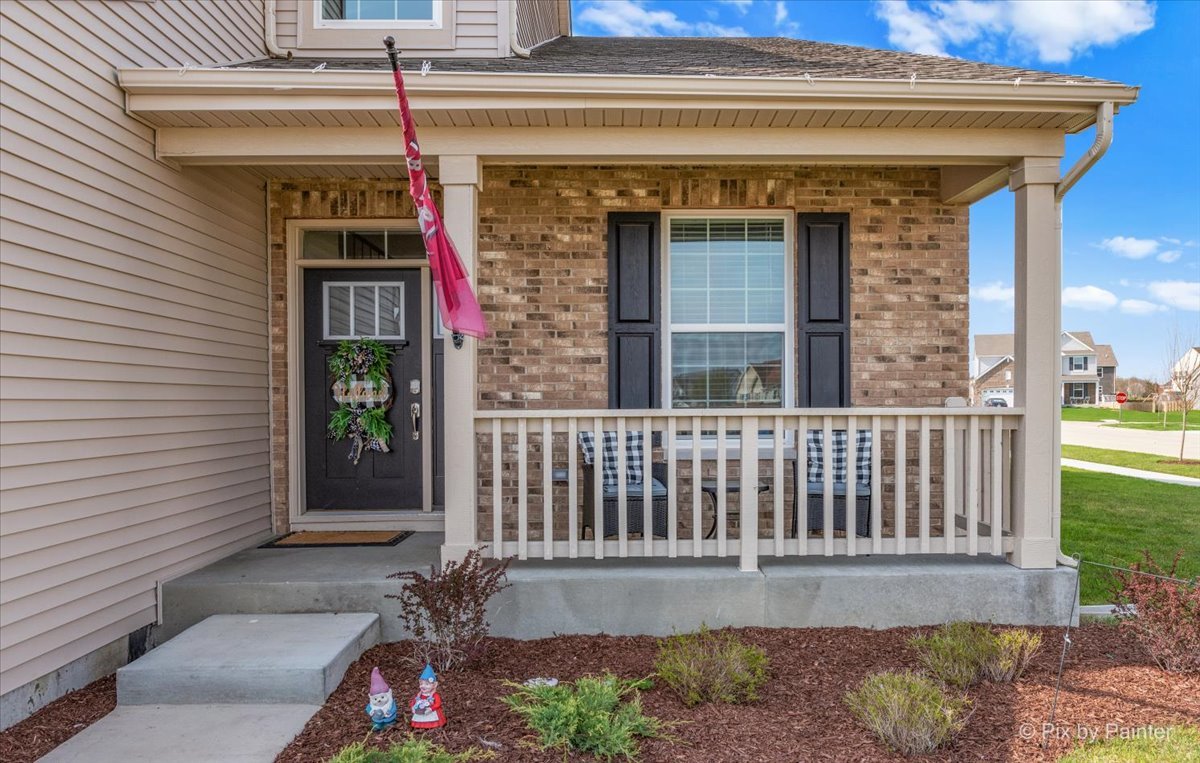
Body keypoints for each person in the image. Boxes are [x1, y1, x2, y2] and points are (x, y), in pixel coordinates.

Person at [410, 664, 446, 729]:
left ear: (434, 685)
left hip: (431, 712)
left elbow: (438, 704)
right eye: (421, 684)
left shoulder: (435, 695)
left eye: (427, 684)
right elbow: (414, 701)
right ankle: (419, 726)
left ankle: (433, 725)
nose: (423, 686)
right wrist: (412, 707)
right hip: (419, 712)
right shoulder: (419, 695)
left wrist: (431, 708)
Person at [365, 667, 398, 732]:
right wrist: (371, 712)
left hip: (388, 718)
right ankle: (377, 726)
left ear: (388, 694)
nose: (379, 700)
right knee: (377, 725)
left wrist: (390, 712)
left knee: (389, 723)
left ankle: (389, 725)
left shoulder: (390, 704)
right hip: (377, 719)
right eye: (375, 699)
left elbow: (394, 708)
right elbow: (368, 709)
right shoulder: (372, 706)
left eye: (382, 697)